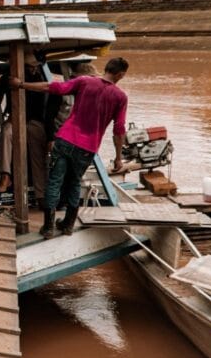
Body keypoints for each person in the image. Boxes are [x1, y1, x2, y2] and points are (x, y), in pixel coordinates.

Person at [12, 57, 129, 238]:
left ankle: (48, 227)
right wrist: (118, 158)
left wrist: (21, 85)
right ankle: (68, 225)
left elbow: (53, 87)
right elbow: (119, 130)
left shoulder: (84, 82)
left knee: (54, 181)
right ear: (120, 75)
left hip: (65, 139)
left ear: (106, 68)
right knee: (74, 183)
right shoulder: (120, 97)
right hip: (87, 148)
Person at [0, 52, 49, 200]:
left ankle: (41, 193)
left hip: (35, 120)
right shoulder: (7, 78)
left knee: (37, 149)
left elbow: (48, 104)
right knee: (5, 133)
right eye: (30, 67)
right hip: (15, 118)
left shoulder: (40, 78)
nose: (34, 69)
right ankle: (5, 176)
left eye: (36, 67)